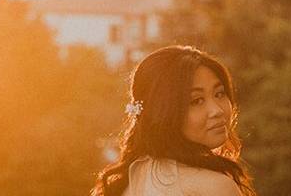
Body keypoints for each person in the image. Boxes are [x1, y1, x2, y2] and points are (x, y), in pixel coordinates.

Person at [93, 45, 256, 196]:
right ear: (163, 113)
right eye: (196, 101)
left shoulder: (130, 180)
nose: (217, 111)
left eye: (219, 94)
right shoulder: (214, 187)